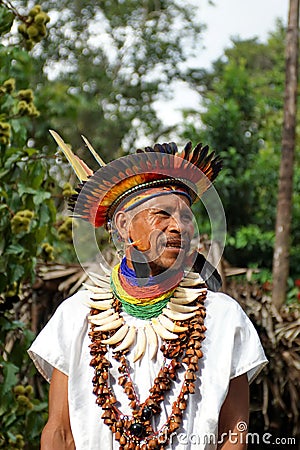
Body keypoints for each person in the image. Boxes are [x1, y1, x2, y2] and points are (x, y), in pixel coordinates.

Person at [28, 136, 267, 450]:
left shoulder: (223, 318)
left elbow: (234, 435)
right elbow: (60, 433)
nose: (179, 227)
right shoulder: (76, 316)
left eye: (186, 217)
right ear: (125, 226)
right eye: (163, 215)